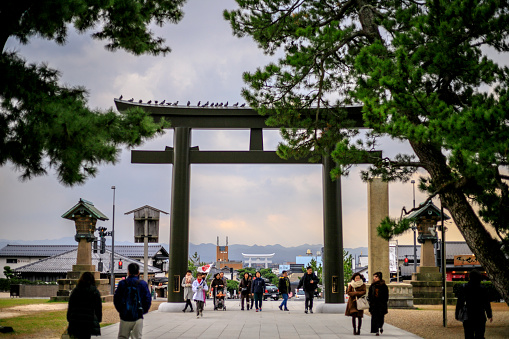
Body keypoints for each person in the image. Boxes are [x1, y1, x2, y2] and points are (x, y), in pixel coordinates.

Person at [114, 263, 152, 339]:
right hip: (138, 316)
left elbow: (116, 299)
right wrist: (142, 311)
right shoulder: (142, 284)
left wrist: (121, 310)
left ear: (128, 272)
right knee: (137, 337)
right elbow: (147, 299)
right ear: (138, 272)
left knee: (123, 336)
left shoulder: (122, 283)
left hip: (125, 316)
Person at [455, 269, 493, 339]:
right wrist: (489, 314)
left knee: (468, 335)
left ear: (470, 277)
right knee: (480, 335)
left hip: (468, 315)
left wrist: (457, 314)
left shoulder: (464, 287)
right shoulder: (483, 288)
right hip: (480, 314)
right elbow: (486, 303)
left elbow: (460, 302)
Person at [67, 271, 102, 339]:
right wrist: (98, 319)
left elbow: (70, 305)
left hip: (76, 319)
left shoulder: (76, 291)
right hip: (88, 321)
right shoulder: (94, 292)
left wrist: (69, 317)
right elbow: (98, 307)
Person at [367, 271, 389, 336]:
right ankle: (376, 330)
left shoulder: (384, 286)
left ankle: (380, 326)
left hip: (381, 304)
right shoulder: (372, 285)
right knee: (374, 317)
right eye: (374, 277)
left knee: (381, 316)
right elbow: (370, 294)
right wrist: (370, 300)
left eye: (376, 277)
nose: (375, 278)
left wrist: (384, 301)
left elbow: (386, 295)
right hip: (374, 303)